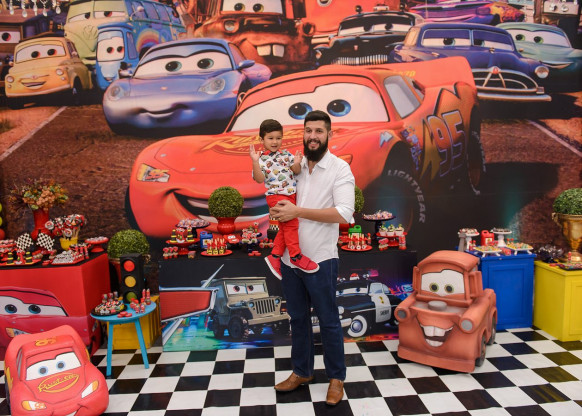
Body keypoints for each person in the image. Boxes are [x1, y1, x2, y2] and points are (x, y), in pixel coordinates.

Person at [270, 110, 355, 406]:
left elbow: (344, 213)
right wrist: (278, 209)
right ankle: (302, 372)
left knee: (329, 321)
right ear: (303, 134)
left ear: (329, 134)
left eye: (319, 131)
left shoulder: (340, 169)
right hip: (290, 260)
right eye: (308, 131)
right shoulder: (294, 166)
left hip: (320, 259)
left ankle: (336, 378)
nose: (313, 136)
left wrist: (298, 212)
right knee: (298, 319)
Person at [250, 119, 319, 279]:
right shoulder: (260, 159)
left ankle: (275, 256)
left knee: (285, 227)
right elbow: (259, 179)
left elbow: (296, 171)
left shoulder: (286, 155)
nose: (275, 142)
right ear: (261, 140)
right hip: (276, 196)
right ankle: (295, 256)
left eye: (278, 138)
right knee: (292, 224)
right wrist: (254, 162)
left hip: (291, 195)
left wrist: (296, 163)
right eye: (270, 138)